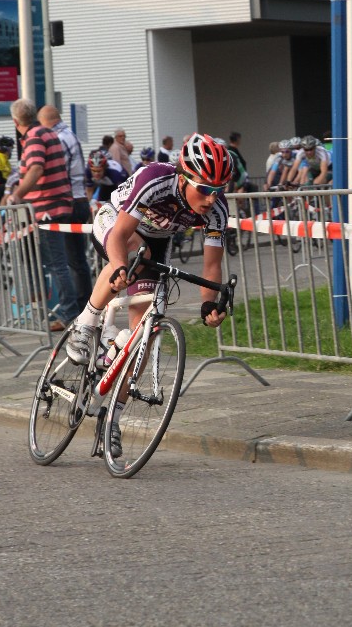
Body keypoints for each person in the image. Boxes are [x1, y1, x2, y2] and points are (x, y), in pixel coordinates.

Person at [64, 134, 233, 453]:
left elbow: (212, 265)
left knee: (146, 333)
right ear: (184, 177)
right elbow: (120, 235)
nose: (212, 198)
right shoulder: (156, 179)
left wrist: (208, 303)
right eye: (205, 189)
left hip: (156, 242)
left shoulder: (216, 210)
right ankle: (85, 324)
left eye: (219, 189)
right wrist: (118, 266)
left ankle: (112, 417)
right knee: (131, 251)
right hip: (116, 222)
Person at [6, 98, 78, 331]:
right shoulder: (48, 133)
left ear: (15, 121)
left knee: (57, 264)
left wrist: (17, 195)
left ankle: (69, 315)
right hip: (57, 205)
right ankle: (38, 294)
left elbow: (36, 168)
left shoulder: (35, 137)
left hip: (47, 209)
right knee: (48, 260)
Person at [38, 104, 93, 314]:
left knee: (65, 262)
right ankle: (87, 308)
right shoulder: (70, 134)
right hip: (80, 199)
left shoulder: (57, 139)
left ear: (45, 122)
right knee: (78, 261)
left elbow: (58, 172)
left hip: (68, 202)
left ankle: (74, 311)